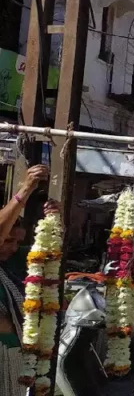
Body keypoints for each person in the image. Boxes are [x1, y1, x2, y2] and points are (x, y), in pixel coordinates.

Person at [0, 165, 48, 393]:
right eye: (8, 240)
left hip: (13, 358)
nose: (12, 247)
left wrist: (54, 219)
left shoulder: (12, 265)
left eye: (17, 242)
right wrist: (25, 189)